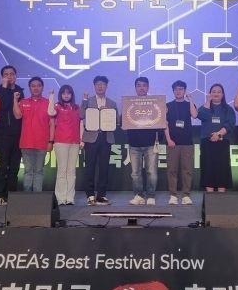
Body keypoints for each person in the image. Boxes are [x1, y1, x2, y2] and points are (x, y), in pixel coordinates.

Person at [80, 76, 119, 206]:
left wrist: (107, 113)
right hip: (91, 137)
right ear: (94, 86)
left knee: (104, 168)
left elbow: (117, 121)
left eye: (103, 84)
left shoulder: (112, 103)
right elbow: (81, 115)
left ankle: (101, 195)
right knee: (90, 167)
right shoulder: (88, 101)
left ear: (106, 86)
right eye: (98, 84)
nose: (100, 86)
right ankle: (90, 195)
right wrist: (84, 100)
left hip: (106, 138)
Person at [13, 77, 54, 192]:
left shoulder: (48, 103)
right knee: (28, 171)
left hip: (42, 143)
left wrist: (51, 141)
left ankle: (37, 197)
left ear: (42, 87)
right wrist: (15, 100)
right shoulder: (24, 102)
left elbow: (52, 123)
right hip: (26, 143)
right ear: (30, 88)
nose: (36, 88)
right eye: (33, 86)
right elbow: (17, 116)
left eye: (38, 86)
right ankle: (27, 198)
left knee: (39, 171)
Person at [127, 77, 162, 205]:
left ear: (148, 87)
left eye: (144, 85)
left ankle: (151, 195)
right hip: (134, 144)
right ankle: (138, 196)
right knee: (135, 173)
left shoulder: (155, 104)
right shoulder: (129, 104)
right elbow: (124, 122)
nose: (141, 88)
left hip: (150, 143)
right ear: (135, 88)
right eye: (139, 85)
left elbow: (160, 122)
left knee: (151, 172)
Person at [197, 83, 235, 192]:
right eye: (213, 91)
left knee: (222, 168)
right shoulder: (205, 107)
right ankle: (210, 196)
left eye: (219, 92)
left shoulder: (228, 109)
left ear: (223, 95)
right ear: (210, 94)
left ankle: (221, 196)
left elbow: (230, 124)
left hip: (222, 142)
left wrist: (218, 134)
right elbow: (200, 115)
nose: (216, 93)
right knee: (207, 167)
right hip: (207, 142)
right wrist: (208, 101)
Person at [0, 65, 24, 205]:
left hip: (18, 134)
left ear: (16, 76)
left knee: (14, 167)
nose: (9, 76)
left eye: (12, 74)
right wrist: (5, 88)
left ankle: (12, 194)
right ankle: (0, 195)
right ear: (2, 77)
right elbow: (4, 105)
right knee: (3, 166)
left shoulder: (20, 92)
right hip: (4, 134)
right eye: (6, 74)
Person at [164, 80, 197, 204]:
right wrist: (168, 139)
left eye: (181, 89)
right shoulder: (168, 105)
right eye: (176, 89)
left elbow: (194, 115)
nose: (178, 91)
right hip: (172, 143)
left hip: (187, 142)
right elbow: (165, 124)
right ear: (173, 91)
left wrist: (191, 100)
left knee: (187, 170)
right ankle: (173, 195)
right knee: (172, 170)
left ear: (184, 91)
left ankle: (186, 195)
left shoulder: (189, 105)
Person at [48, 85, 82, 205]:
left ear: (72, 94)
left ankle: (70, 197)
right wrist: (51, 96)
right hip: (61, 142)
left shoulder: (77, 107)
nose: (66, 95)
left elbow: (81, 124)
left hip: (74, 142)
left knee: (71, 171)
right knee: (62, 170)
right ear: (60, 95)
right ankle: (61, 198)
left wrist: (81, 139)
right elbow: (50, 112)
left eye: (68, 93)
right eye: (63, 93)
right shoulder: (57, 106)